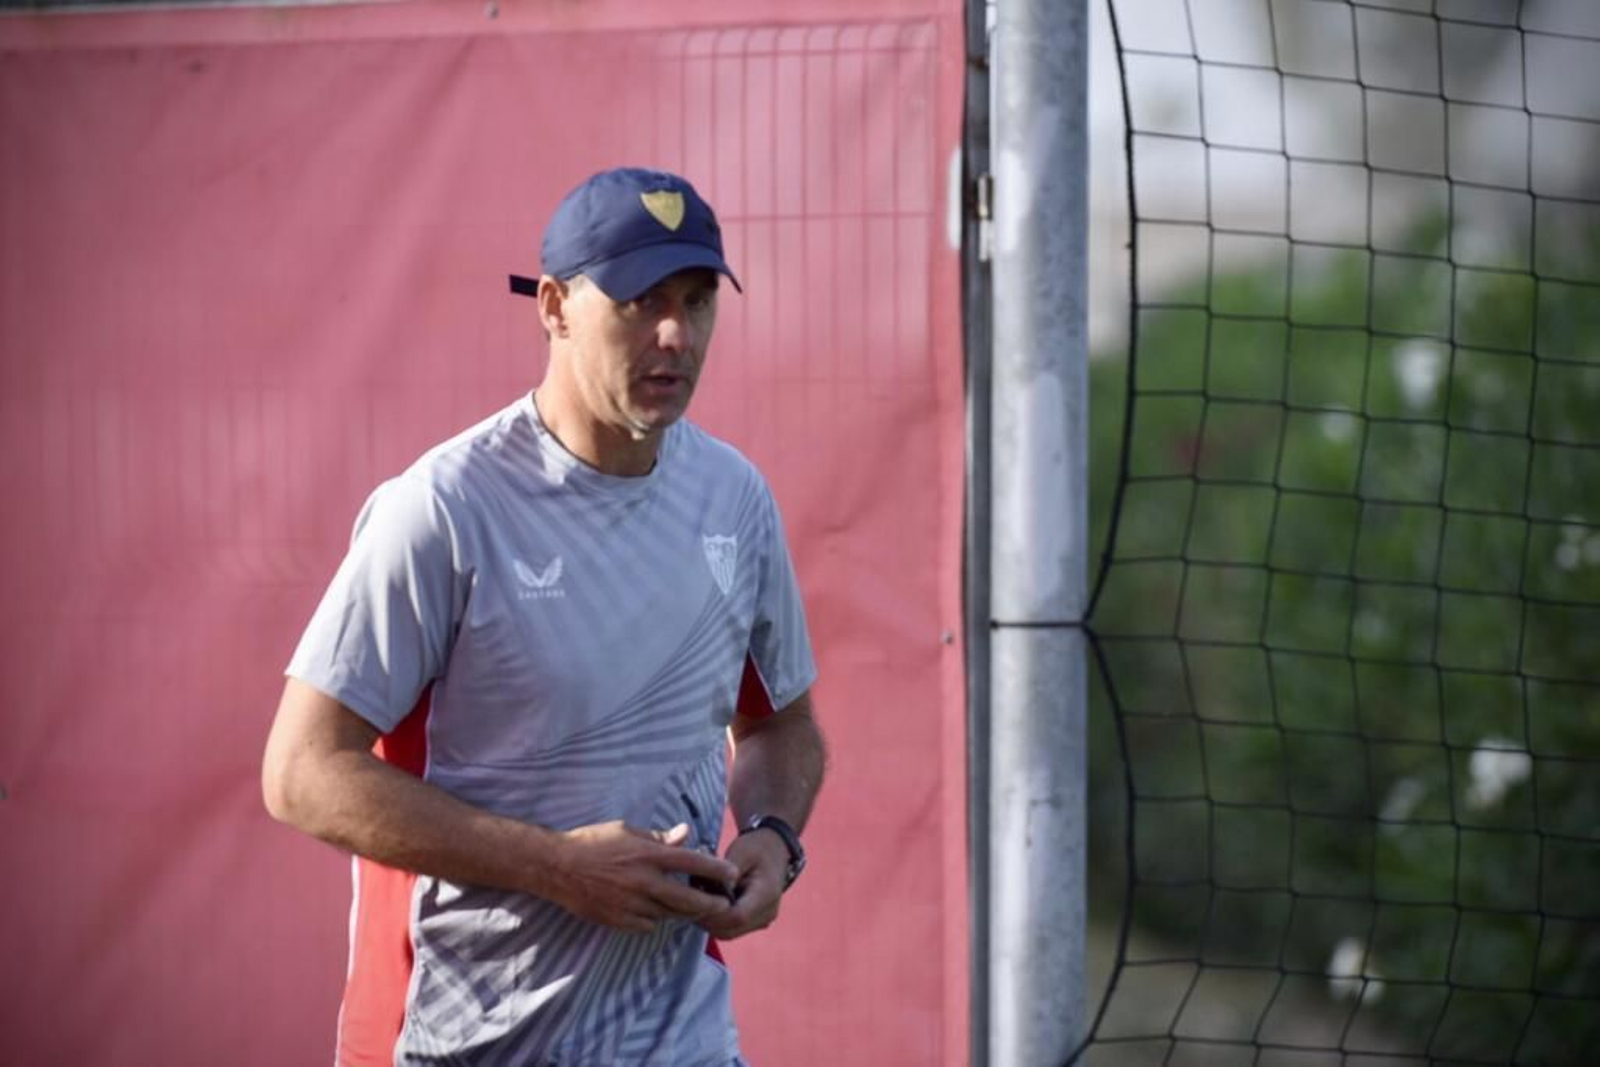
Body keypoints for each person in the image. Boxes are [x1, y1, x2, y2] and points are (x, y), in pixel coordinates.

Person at [262, 166, 827, 1066]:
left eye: (697, 298)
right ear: (557, 306)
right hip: (459, 1043)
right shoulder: (442, 509)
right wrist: (554, 865)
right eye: (640, 302)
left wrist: (771, 836)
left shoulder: (735, 499)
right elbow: (299, 772)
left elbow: (780, 725)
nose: (676, 334)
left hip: (682, 1040)